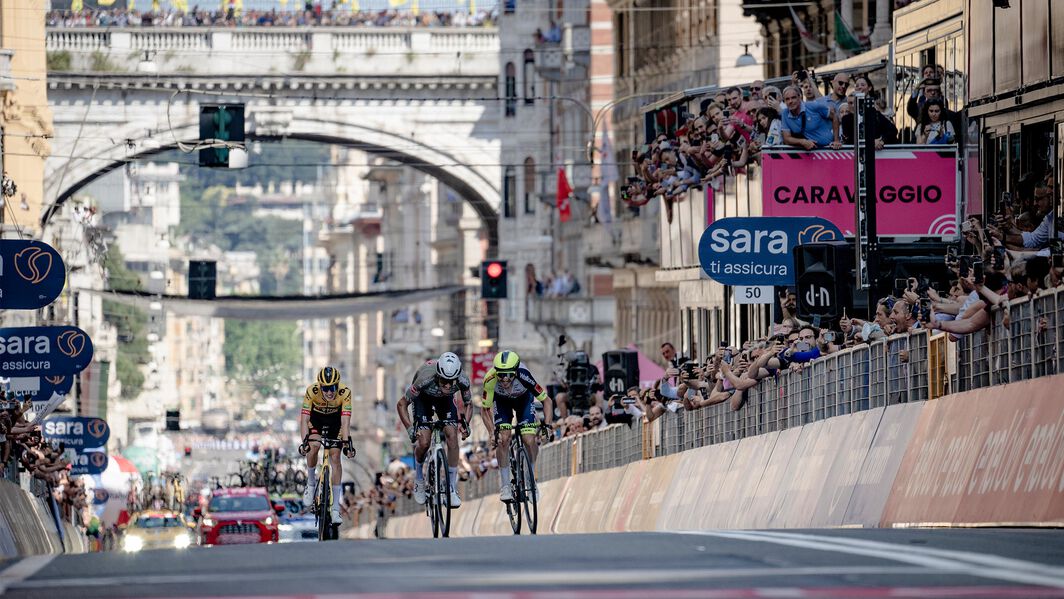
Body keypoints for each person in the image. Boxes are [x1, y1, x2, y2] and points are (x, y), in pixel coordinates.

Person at [396, 352, 472, 507]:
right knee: (424, 442)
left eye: (451, 382)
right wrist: (410, 428)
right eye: (444, 381)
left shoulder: (463, 380)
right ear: (438, 376)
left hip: (445, 401)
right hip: (423, 399)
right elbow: (401, 404)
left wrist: (465, 423)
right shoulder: (424, 379)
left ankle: (451, 487)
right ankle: (419, 479)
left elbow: (469, 403)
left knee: (452, 436)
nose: (448, 386)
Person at [480, 350, 553, 501]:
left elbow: (547, 401)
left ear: (516, 371)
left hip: (524, 401)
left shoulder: (524, 376)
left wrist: (548, 425)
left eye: (509, 375)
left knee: (529, 439)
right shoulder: (490, 379)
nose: (504, 379)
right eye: (501, 375)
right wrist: (491, 431)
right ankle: (506, 485)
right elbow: (485, 409)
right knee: (503, 439)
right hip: (501, 403)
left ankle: (531, 478)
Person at [298, 366, 356, 523]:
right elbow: (304, 419)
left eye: (333, 388)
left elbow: (345, 422)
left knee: (335, 457)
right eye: (326, 388)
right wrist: (305, 443)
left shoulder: (345, 393)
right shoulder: (312, 391)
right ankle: (310, 484)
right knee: (314, 446)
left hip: (335, 423)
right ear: (320, 386)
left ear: (338, 385)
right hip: (316, 421)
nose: (330, 392)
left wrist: (347, 444)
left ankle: (335, 507)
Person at [780, 86, 842, 150]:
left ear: (799, 98)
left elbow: (834, 116)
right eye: (787, 99)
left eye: (793, 98)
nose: (790, 101)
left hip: (830, 149)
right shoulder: (785, 113)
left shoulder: (812, 106)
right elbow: (787, 138)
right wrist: (803, 142)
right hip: (811, 151)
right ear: (784, 101)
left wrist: (836, 140)